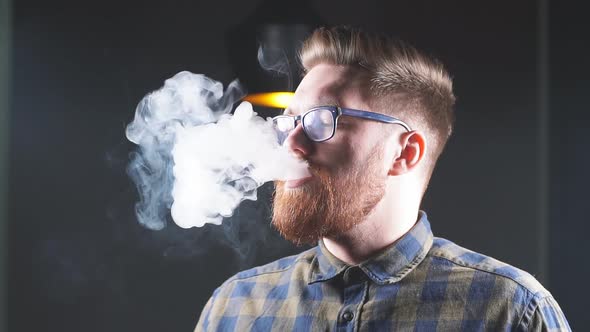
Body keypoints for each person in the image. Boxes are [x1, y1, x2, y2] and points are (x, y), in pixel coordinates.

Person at [195, 26, 570, 331]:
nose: (291, 143)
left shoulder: (511, 312)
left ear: (404, 153)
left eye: (323, 120)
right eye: (290, 121)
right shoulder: (234, 307)